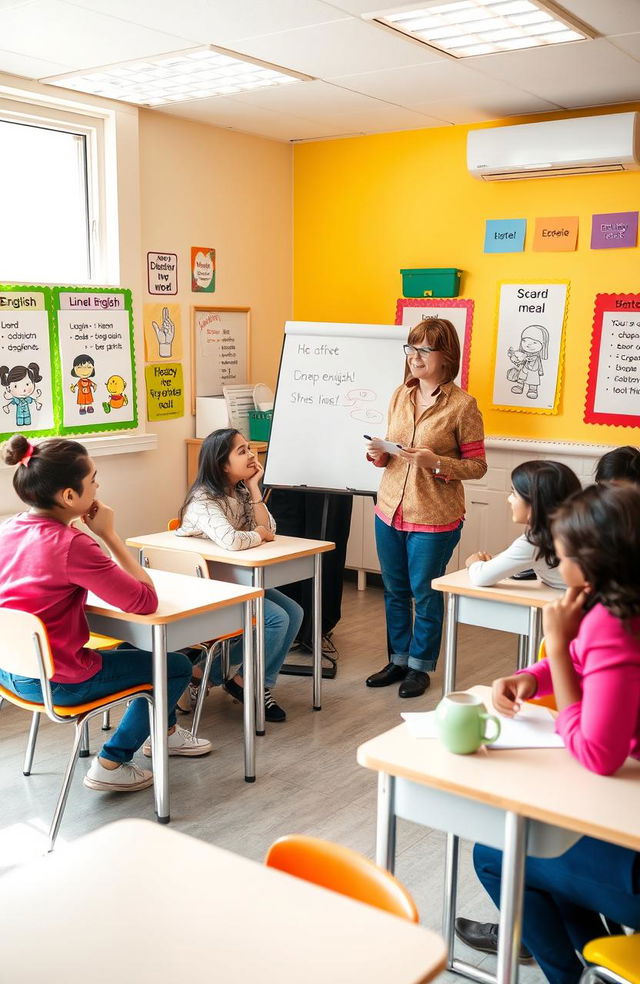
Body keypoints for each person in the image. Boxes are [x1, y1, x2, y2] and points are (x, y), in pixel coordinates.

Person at [457, 483, 640, 983]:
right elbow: (587, 665)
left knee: (497, 854)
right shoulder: (619, 601)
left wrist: (556, 648)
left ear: (594, 560)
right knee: (542, 844)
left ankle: (570, 975)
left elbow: (598, 754)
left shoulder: (612, 621)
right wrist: (532, 676)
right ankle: (591, 962)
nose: (558, 567)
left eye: (562, 558)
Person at [0, 435, 210, 793]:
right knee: (172, 666)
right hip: (59, 681)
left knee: (141, 654)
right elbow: (144, 601)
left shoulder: (10, 528)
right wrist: (110, 535)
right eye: (94, 479)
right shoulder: (73, 545)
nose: (98, 486)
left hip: (12, 672)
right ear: (69, 496)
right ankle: (111, 762)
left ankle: (166, 732)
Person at [365, 317, 487, 698]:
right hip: (389, 507)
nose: (414, 357)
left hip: (434, 515)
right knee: (394, 589)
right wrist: (378, 455)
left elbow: (478, 466)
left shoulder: (464, 406)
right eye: (411, 348)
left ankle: (420, 667)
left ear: (445, 356)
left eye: (423, 350)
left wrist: (435, 462)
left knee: (425, 592)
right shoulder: (400, 395)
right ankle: (398, 659)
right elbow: (395, 451)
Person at [176, 428, 302, 722]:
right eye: (242, 451)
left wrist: (256, 489)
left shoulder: (242, 491)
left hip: (233, 580)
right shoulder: (202, 500)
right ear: (222, 464)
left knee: (294, 612)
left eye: (249, 448)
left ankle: (243, 681)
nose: (251, 455)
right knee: (275, 618)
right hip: (204, 586)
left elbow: (269, 529)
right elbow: (233, 540)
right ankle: (234, 680)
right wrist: (257, 535)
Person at [465, 460, 581, 589]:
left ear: (534, 503)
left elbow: (481, 577)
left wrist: (474, 563)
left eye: (514, 493)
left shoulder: (536, 541)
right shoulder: (576, 529)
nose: (509, 499)